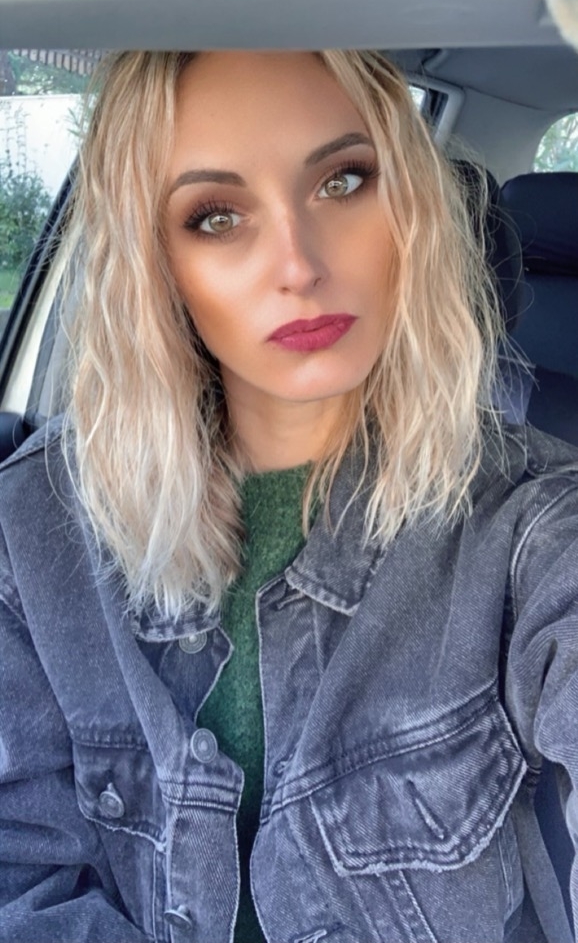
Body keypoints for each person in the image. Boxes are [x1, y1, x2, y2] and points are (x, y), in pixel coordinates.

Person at [0, 50, 577, 943]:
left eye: (343, 181)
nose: (298, 264)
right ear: (157, 265)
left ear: (412, 208)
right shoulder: (36, 528)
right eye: (217, 216)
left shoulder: (530, 521)